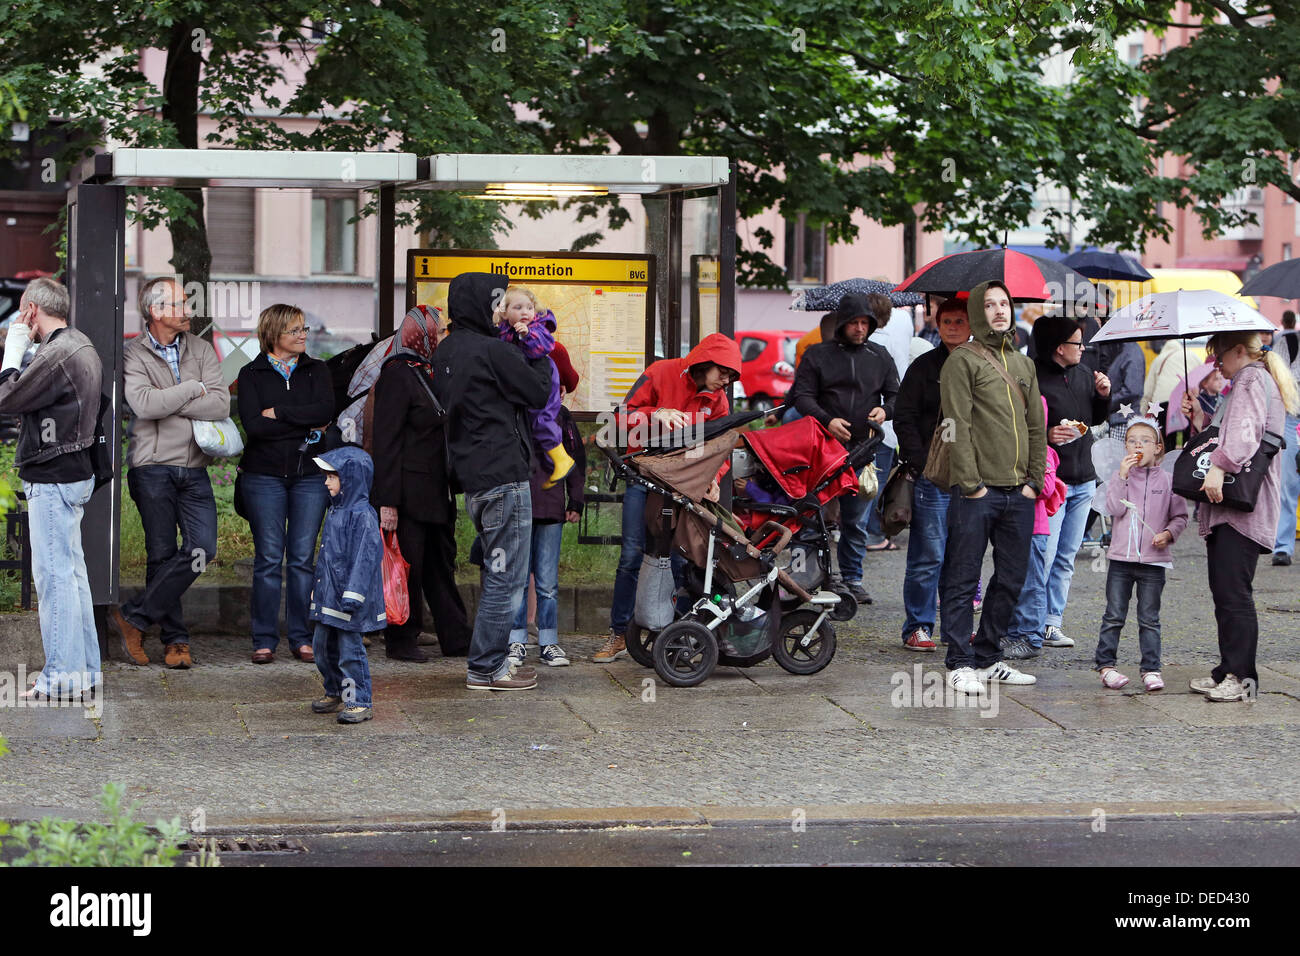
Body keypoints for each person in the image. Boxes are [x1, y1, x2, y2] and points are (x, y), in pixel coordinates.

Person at [432, 272, 552, 690]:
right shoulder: (490, 350)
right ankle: (486, 668)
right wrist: (538, 345)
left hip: (474, 479)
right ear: (483, 305)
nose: (502, 311)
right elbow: (538, 392)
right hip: (503, 474)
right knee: (508, 577)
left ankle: (487, 662)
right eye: (497, 303)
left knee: (496, 571)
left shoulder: (446, 349)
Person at [596, 331, 741, 662]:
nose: (726, 381)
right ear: (706, 362)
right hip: (642, 478)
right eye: (724, 372)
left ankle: (676, 636)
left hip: (683, 485)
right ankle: (618, 634)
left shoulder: (717, 401)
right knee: (632, 556)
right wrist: (654, 414)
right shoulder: (660, 372)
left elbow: (720, 448)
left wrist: (713, 477)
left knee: (679, 559)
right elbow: (618, 418)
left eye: (732, 376)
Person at [109, 277, 229, 670]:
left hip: (193, 467)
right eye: (180, 305)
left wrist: (173, 401)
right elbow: (143, 405)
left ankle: (134, 617)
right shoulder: (131, 353)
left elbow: (221, 404)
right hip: (152, 467)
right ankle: (176, 641)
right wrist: (193, 388)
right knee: (160, 555)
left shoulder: (200, 348)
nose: (189, 311)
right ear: (156, 311)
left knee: (201, 549)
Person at [938, 280, 1046, 695]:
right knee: (963, 578)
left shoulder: (1023, 364)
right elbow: (954, 426)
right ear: (978, 312)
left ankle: (987, 656)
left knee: (1012, 578)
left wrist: (1034, 482)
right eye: (990, 304)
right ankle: (959, 661)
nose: (999, 310)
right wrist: (971, 484)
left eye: (1004, 303)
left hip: (1019, 492)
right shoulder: (961, 361)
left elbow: (1036, 426)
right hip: (977, 492)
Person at [1182, 332, 1300, 702]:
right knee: (1227, 591)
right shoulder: (1255, 379)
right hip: (1236, 507)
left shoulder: (1250, 378)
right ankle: (1227, 670)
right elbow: (1229, 433)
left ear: (1238, 351)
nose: (1216, 364)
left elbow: (1244, 437)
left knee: (1233, 594)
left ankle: (1241, 677)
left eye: (1218, 356)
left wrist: (1219, 467)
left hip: (1239, 508)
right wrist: (1202, 418)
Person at [0, 277, 102, 700]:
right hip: (73, 471)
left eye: (22, 311)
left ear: (31, 310)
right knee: (72, 576)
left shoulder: (57, 352)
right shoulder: (79, 344)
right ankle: (85, 672)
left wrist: (13, 346)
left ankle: (62, 677)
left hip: (53, 474)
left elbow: (6, 397)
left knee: (54, 579)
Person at [370, 305, 472, 660]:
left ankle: (456, 637)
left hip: (436, 492)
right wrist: (387, 502)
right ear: (422, 335)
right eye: (439, 331)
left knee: (440, 566)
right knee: (407, 567)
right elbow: (386, 442)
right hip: (408, 494)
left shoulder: (426, 371)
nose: (443, 337)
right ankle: (401, 640)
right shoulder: (398, 375)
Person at [235, 303, 334, 664]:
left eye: (304, 328)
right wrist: (303, 425)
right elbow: (255, 427)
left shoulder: (317, 370)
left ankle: (301, 637)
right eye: (295, 330)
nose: (303, 334)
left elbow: (324, 413)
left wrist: (279, 412)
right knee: (269, 558)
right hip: (264, 477)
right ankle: (263, 639)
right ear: (274, 334)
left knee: (302, 559)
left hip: (310, 476)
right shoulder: (252, 374)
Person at [789, 292, 899, 605]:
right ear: (843, 324)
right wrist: (827, 420)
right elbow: (802, 396)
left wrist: (885, 411)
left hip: (862, 450)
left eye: (865, 323)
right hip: (820, 448)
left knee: (855, 520)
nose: (860, 328)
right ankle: (806, 576)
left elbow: (896, 395)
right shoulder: (818, 355)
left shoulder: (880, 356)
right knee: (811, 515)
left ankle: (853, 578)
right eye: (854, 322)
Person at [893, 297, 969, 651]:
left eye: (960, 321)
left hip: (971, 475)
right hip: (933, 475)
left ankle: (957, 626)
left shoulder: (980, 365)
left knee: (962, 556)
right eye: (947, 321)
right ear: (938, 325)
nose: (953, 326)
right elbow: (904, 416)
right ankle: (918, 626)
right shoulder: (923, 367)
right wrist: (921, 462)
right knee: (928, 554)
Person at [1032, 316, 1111, 649]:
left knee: (1066, 557)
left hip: (1084, 479)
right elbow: (1026, 424)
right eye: (1078, 343)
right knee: (1044, 557)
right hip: (1053, 482)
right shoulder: (1034, 376)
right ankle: (1030, 623)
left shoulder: (1084, 374)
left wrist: (1104, 395)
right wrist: (1048, 433)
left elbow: (1094, 419)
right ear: (1059, 347)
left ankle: (1053, 622)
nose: (1084, 348)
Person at [1093, 417, 1187, 691]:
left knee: (1149, 617)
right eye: (1132, 441)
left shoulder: (1169, 480)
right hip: (1121, 560)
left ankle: (1151, 669)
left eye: (1145, 441)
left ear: (1158, 448)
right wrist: (1121, 477)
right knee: (1114, 614)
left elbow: (1180, 516)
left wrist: (1168, 535)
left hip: (1154, 562)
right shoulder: (1118, 477)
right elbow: (1114, 508)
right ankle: (1106, 666)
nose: (1138, 446)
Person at [507, 391, 586, 668]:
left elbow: (576, 460)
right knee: (516, 580)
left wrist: (576, 500)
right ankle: (515, 640)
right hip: (519, 506)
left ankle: (548, 641)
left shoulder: (563, 417)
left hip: (551, 508)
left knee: (548, 583)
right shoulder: (515, 409)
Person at [307, 447, 384, 724]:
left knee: (350, 652)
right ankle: (336, 689)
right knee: (321, 646)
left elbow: (365, 558)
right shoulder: (336, 511)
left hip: (350, 599)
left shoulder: (362, 516)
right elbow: (328, 554)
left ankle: (359, 699)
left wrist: (353, 595)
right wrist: (319, 587)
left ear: (350, 478)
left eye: (332, 476)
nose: (326, 482)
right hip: (330, 595)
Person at [999, 397, 1066, 660]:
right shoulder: (1009, 447)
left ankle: (1032, 636)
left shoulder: (1043, 451)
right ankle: (1014, 631)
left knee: (1032, 584)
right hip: (1011, 526)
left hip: (1034, 527)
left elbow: (1046, 488)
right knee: (1012, 581)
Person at [495, 285, 575, 488]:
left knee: (541, 418)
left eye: (529, 307)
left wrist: (526, 335)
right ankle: (553, 465)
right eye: (518, 307)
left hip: (544, 378)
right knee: (530, 423)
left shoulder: (537, 328)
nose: (525, 312)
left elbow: (543, 347)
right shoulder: (504, 330)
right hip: (528, 380)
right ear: (504, 312)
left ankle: (561, 460)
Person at [865, 294, 910, 550]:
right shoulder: (890, 340)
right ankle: (871, 533)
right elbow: (897, 384)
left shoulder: (861, 345)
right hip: (882, 424)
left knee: (865, 481)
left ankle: (864, 531)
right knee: (876, 480)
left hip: (864, 424)